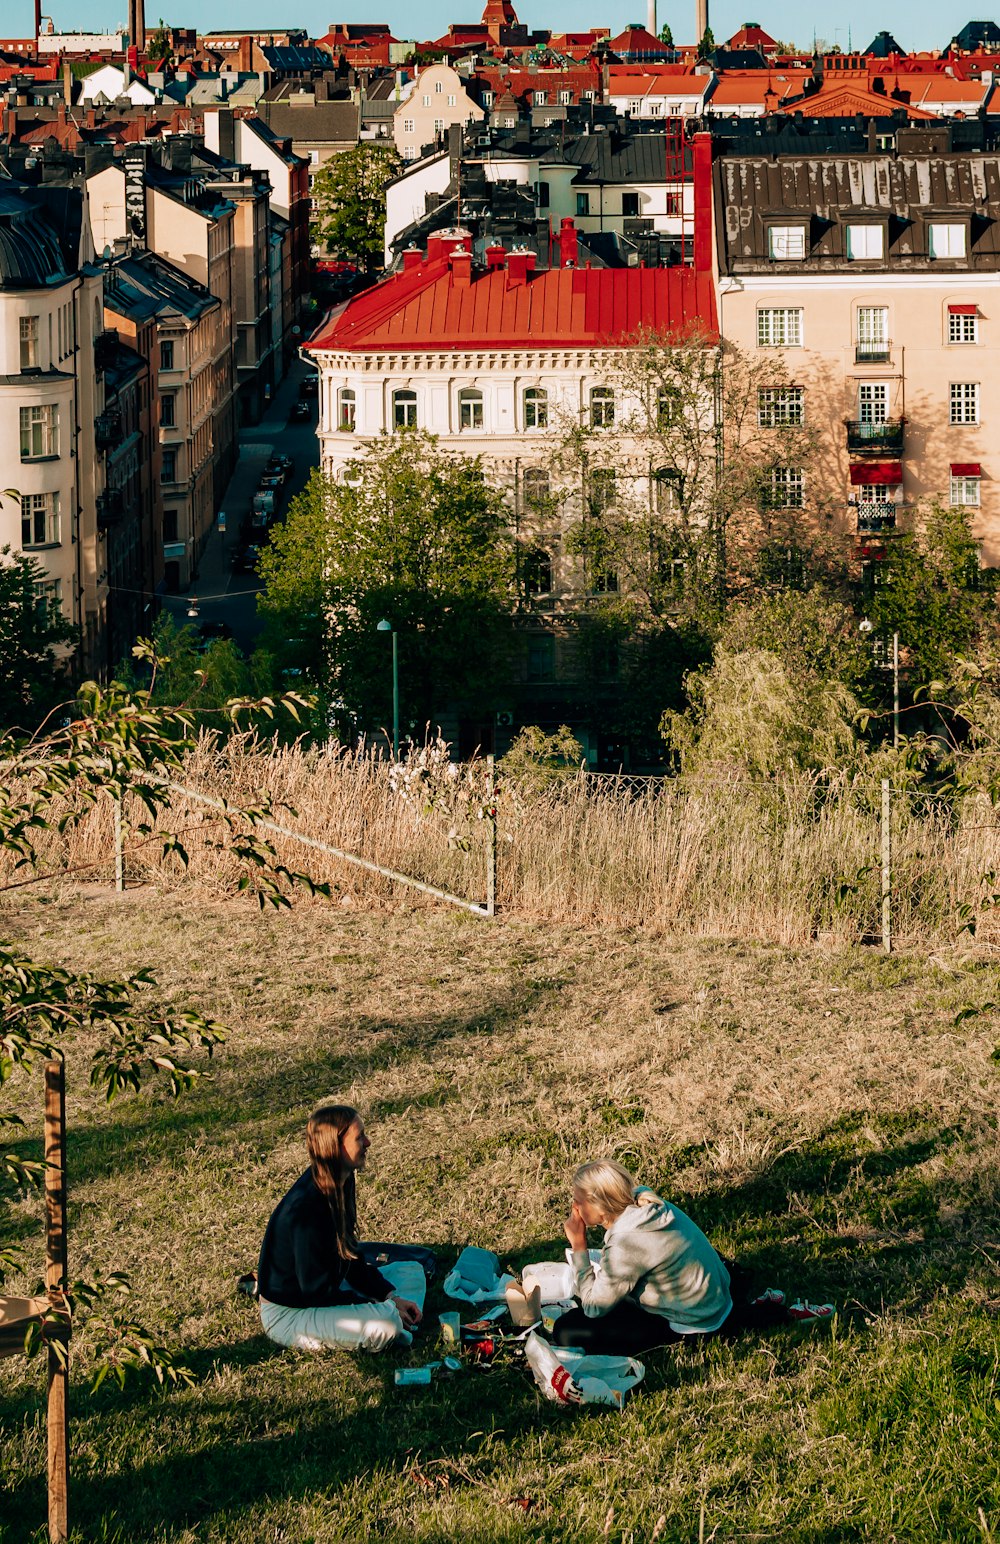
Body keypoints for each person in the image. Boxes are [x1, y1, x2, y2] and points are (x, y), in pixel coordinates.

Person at [554, 1159, 832, 1356]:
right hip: (714, 1292)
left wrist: (578, 1245)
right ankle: (757, 1310)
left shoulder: (626, 1241)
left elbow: (593, 1307)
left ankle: (765, 1316)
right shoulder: (645, 1200)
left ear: (599, 1206)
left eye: (578, 1200)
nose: (574, 1206)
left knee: (568, 1329)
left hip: (692, 1322)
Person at [257, 1103, 430, 1354]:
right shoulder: (306, 1208)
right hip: (292, 1314)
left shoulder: (342, 1178)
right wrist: (377, 1306)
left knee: (412, 1272)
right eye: (359, 1137)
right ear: (335, 1148)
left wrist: (390, 1296)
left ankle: (395, 1313)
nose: (368, 1142)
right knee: (387, 1324)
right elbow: (316, 1294)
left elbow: (348, 1253)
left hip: (326, 1291)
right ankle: (395, 1321)